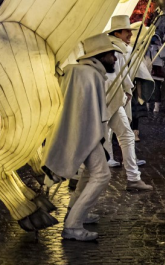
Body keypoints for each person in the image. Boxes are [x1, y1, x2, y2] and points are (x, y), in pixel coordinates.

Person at [43, 34, 119, 241]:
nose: (114, 58)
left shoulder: (77, 71)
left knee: (88, 175)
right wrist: (96, 135)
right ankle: (73, 224)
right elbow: (88, 112)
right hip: (86, 132)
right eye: (111, 54)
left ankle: (76, 212)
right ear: (101, 56)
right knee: (102, 175)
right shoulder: (89, 75)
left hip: (81, 131)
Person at [105, 15, 152, 191]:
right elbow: (118, 76)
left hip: (109, 99)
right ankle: (132, 178)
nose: (130, 35)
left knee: (119, 135)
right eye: (127, 32)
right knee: (120, 136)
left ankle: (133, 177)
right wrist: (127, 90)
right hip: (111, 99)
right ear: (117, 33)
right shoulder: (117, 50)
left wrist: (127, 89)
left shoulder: (115, 48)